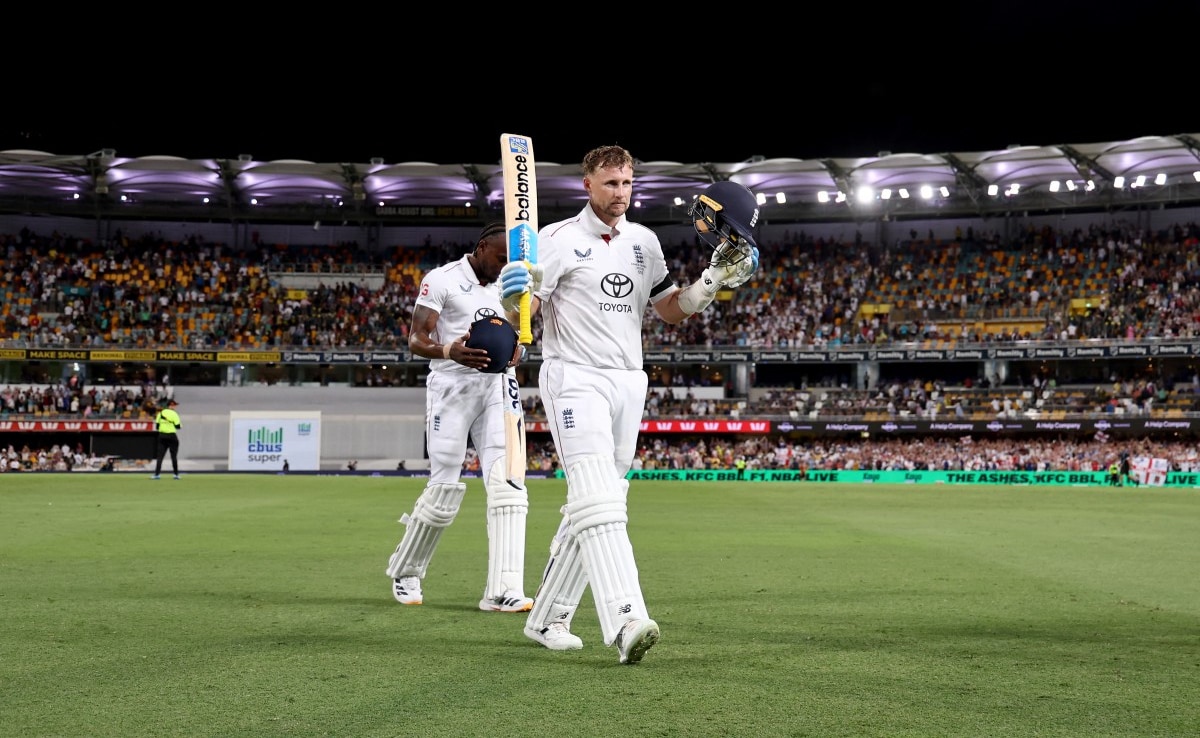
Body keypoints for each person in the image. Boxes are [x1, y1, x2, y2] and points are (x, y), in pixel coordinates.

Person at [498, 147, 760, 664]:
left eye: (627, 183)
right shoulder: (554, 240)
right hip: (574, 377)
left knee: (597, 502)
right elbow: (519, 314)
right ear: (588, 185)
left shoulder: (644, 241)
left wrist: (708, 284)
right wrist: (511, 299)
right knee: (600, 499)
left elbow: (667, 309)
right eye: (611, 183)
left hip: (628, 381)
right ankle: (625, 617)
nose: (621, 192)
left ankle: (548, 617)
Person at [385, 221, 532, 613]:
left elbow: (518, 332)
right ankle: (407, 569)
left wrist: (518, 349)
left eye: (509, 262)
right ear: (482, 247)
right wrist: (449, 350)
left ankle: (504, 588)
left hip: (499, 387)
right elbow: (416, 338)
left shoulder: (512, 283)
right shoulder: (442, 279)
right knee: (445, 485)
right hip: (452, 388)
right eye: (500, 259)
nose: (503, 268)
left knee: (509, 483)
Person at [151, 399, 182, 480]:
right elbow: (178, 427)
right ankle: (176, 475)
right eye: (175, 405)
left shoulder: (160, 413)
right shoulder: (175, 414)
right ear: (172, 405)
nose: (175, 407)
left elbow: (157, 427)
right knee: (174, 456)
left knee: (160, 457)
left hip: (162, 436)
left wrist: (164, 426)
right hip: (172, 436)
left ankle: (157, 475)